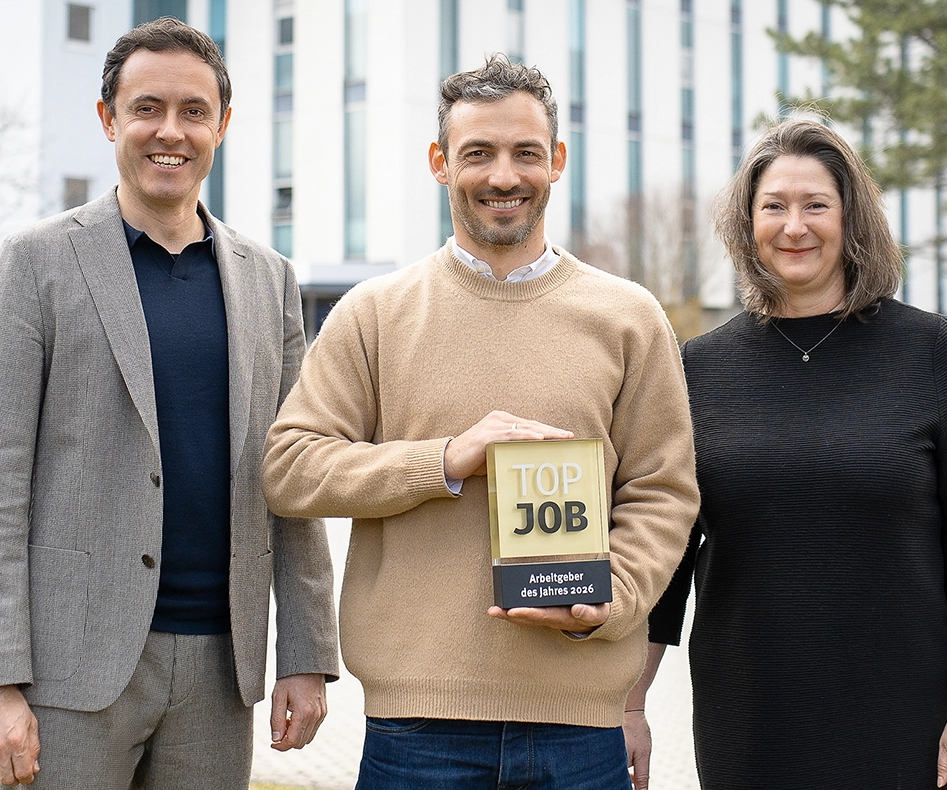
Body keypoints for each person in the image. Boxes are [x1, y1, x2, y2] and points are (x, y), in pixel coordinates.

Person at [262, 55, 699, 790]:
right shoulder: (374, 314)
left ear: (556, 161)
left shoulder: (630, 318)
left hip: (581, 730)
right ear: (441, 163)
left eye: (526, 152)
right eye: (478, 153)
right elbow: (290, 467)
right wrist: (442, 460)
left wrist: (611, 600)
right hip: (416, 732)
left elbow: (664, 489)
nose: (504, 175)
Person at [0, 18, 340, 789]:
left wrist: (306, 653)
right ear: (109, 119)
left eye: (194, 111)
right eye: (147, 108)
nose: (171, 131)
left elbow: (291, 476)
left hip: (220, 670)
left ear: (222, 125)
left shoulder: (268, 280)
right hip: (69, 672)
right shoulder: (34, 264)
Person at [630, 118, 947, 790]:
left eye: (816, 205)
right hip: (747, 708)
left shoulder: (932, 353)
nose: (794, 226)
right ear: (747, 223)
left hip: (899, 710)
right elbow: (667, 558)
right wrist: (629, 706)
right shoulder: (699, 368)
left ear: (851, 218)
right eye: (773, 206)